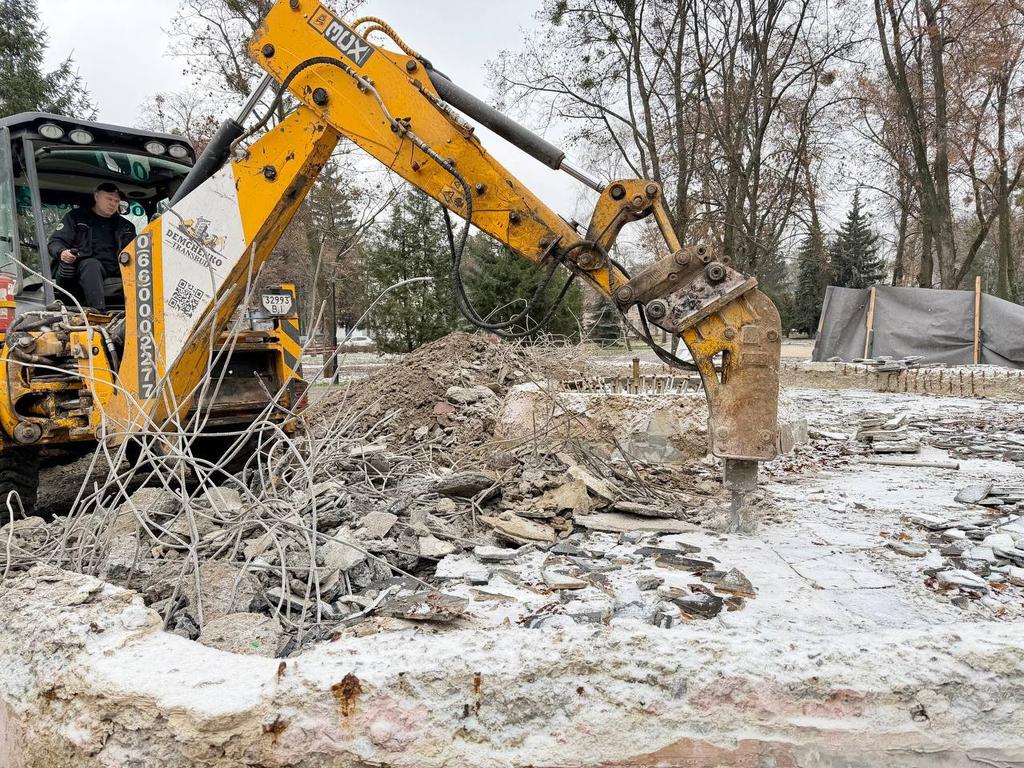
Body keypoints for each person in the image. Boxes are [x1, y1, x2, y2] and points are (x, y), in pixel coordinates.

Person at [47, 183, 136, 312]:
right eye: (109, 199)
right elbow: (55, 242)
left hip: (118, 270)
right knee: (91, 264)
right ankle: (98, 313)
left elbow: (138, 250)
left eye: (116, 201)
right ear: (96, 196)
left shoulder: (126, 227)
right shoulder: (76, 218)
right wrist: (62, 252)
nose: (113, 204)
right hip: (84, 270)